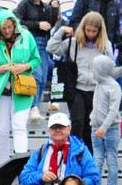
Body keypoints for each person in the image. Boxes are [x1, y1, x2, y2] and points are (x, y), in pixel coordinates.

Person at [47, 10, 116, 148]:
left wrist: (106, 46)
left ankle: (88, 157)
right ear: (83, 28)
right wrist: (61, 31)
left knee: (91, 125)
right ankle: (74, 152)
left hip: (96, 90)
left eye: (94, 31)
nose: (90, 34)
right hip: (77, 88)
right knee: (77, 121)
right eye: (88, 30)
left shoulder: (104, 45)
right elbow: (51, 47)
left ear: (99, 31)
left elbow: (110, 66)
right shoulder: (73, 42)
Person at [0, 8, 39, 161]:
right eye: (3, 28)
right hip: (0, 91)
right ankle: (3, 165)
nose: (7, 31)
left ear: (14, 24)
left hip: (22, 90)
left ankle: (21, 164)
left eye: (9, 27)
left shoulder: (26, 36)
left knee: (19, 126)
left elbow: (36, 60)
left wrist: (25, 67)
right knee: (2, 130)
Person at [18, 112, 100, 185]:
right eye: (54, 127)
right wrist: (41, 177)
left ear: (69, 129)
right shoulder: (40, 152)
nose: (57, 130)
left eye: (61, 127)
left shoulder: (81, 151)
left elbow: (93, 178)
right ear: (48, 130)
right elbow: (24, 178)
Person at [87, 54, 122, 185]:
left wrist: (104, 128)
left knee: (111, 158)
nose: (92, 72)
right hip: (95, 127)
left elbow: (113, 111)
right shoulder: (99, 84)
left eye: (94, 69)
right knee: (97, 158)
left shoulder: (113, 86)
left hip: (110, 129)